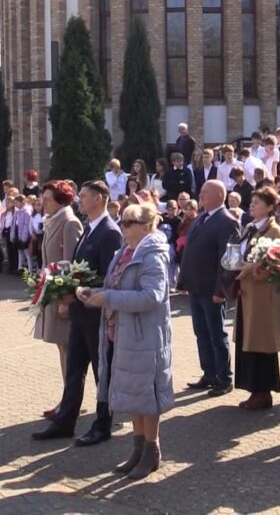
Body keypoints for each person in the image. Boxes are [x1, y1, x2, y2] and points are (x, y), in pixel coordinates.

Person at [73, 203, 173, 480]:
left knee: (147, 396)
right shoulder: (123, 253)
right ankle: (137, 448)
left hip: (145, 336)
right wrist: (94, 293)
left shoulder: (153, 255)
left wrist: (110, 299)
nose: (123, 226)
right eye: (123, 221)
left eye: (129, 222)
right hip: (121, 333)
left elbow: (152, 296)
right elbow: (116, 289)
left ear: (146, 226)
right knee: (133, 395)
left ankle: (152, 451)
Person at [34, 181, 124, 445]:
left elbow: (111, 277)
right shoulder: (89, 230)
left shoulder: (109, 232)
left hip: (96, 314)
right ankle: (65, 421)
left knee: (101, 370)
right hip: (80, 312)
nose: (79, 200)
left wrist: (79, 292)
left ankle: (103, 424)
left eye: (83, 196)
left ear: (99, 199)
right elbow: (76, 267)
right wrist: (63, 287)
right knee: (74, 369)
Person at [179, 180, 239, 396]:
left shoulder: (227, 221)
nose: (201, 195)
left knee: (216, 333)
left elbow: (229, 260)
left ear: (219, 196)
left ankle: (224, 378)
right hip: (196, 287)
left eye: (205, 192)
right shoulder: (201, 218)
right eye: (201, 191)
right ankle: (209, 373)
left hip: (212, 291)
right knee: (201, 333)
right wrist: (184, 281)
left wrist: (221, 290)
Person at [234, 187, 280, 410]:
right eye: (252, 201)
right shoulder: (250, 228)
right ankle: (253, 389)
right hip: (247, 294)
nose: (252, 205)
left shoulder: (276, 232)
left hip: (263, 296)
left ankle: (263, 392)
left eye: (257, 202)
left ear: (269, 207)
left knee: (261, 343)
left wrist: (253, 268)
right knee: (249, 341)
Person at [37, 180, 83, 417]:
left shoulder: (69, 223)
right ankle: (68, 399)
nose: (42, 203)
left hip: (64, 296)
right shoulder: (53, 221)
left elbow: (72, 264)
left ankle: (71, 401)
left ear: (61, 200)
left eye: (47, 199)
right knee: (62, 348)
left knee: (69, 349)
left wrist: (65, 299)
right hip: (53, 291)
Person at [12, 194, 34, 272]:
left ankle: (30, 270)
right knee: (20, 251)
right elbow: (15, 223)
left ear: (23, 202)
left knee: (27, 253)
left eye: (17, 202)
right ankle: (20, 268)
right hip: (18, 232)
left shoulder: (26, 212)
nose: (15, 204)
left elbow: (26, 225)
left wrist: (24, 237)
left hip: (24, 234)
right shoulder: (18, 212)